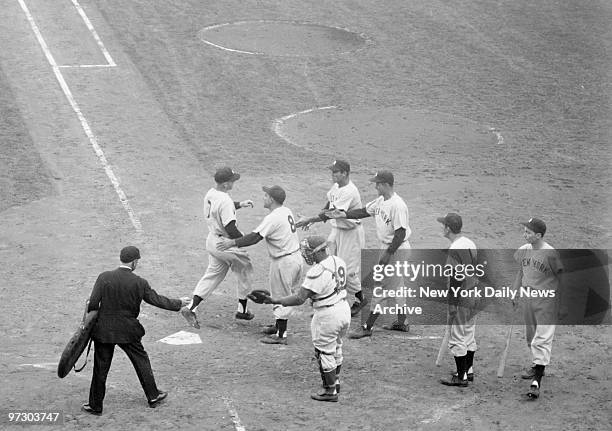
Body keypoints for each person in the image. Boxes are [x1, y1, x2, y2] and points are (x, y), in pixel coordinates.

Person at [82, 246, 188, 415]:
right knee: (141, 361)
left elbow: (93, 304)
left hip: (104, 331)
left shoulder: (104, 277)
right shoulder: (139, 282)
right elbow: (157, 300)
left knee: (101, 368)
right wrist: (179, 303)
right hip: (128, 331)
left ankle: (95, 405)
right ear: (134, 261)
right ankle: (153, 396)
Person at [259, 236, 350, 402]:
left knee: (324, 351)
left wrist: (275, 300)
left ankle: (329, 391)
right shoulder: (338, 260)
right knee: (336, 346)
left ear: (320, 250)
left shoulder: (317, 271)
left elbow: (300, 298)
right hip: (343, 309)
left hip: (328, 315)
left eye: (309, 251)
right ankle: (335, 382)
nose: (307, 255)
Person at [327, 170, 412, 339]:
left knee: (381, 287)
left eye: (378, 183)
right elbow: (364, 211)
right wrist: (344, 214)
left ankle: (367, 326)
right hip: (389, 247)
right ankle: (402, 322)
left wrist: (388, 255)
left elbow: (400, 233)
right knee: (397, 287)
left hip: (396, 249)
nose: (375, 186)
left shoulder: (398, 205)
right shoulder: (381, 201)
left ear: (386, 184)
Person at [217, 185, 303, 345]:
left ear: (271, 199)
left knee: (281, 295)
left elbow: (255, 237)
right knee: (284, 292)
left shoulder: (273, 217)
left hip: (284, 262)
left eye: (265, 196)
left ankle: (281, 335)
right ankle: (278, 327)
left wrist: (232, 243)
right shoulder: (286, 211)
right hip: (294, 258)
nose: (263, 197)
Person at [181, 167, 255, 329]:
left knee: (213, 275)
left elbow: (220, 209)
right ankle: (242, 310)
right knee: (245, 270)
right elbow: (230, 227)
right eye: (233, 180)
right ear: (226, 183)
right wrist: (240, 241)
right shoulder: (225, 200)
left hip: (213, 241)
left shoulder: (211, 193)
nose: (234, 182)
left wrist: (240, 204)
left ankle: (191, 307)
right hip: (225, 244)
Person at [295, 159, 367, 316]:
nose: (332, 174)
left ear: (345, 173)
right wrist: (313, 218)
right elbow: (328, 204)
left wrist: (310, 219)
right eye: (332, 171)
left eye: (336, 172)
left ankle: (361, 298)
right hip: (337, 229)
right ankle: (333, 299)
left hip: (351, 233)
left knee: (347, 271)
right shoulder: (336, 186)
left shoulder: (349, 190)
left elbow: (333, 213)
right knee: (328, 263)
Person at [514, 217, 564, 399]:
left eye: (528, 232)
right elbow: (521, 271)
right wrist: (515, 292)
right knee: (531, 336)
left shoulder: (550, 254)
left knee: (541, 340)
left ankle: (536, 383)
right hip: (528, 298)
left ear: (538, 235)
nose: (524, 234)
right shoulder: (524, 251)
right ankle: (537, 367)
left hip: (546, 301)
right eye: (524, 231)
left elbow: (562, 278)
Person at [436, 213, 479, 387]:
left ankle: (460, 377)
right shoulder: (470, 243)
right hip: (475, 294)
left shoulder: (454, 249)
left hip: (462, 296)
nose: (442, 228)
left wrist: (452, 305)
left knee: (457, 337)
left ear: (448, 228)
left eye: (443, 225)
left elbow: (455, 278)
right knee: (468, 334)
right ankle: (468, 371)